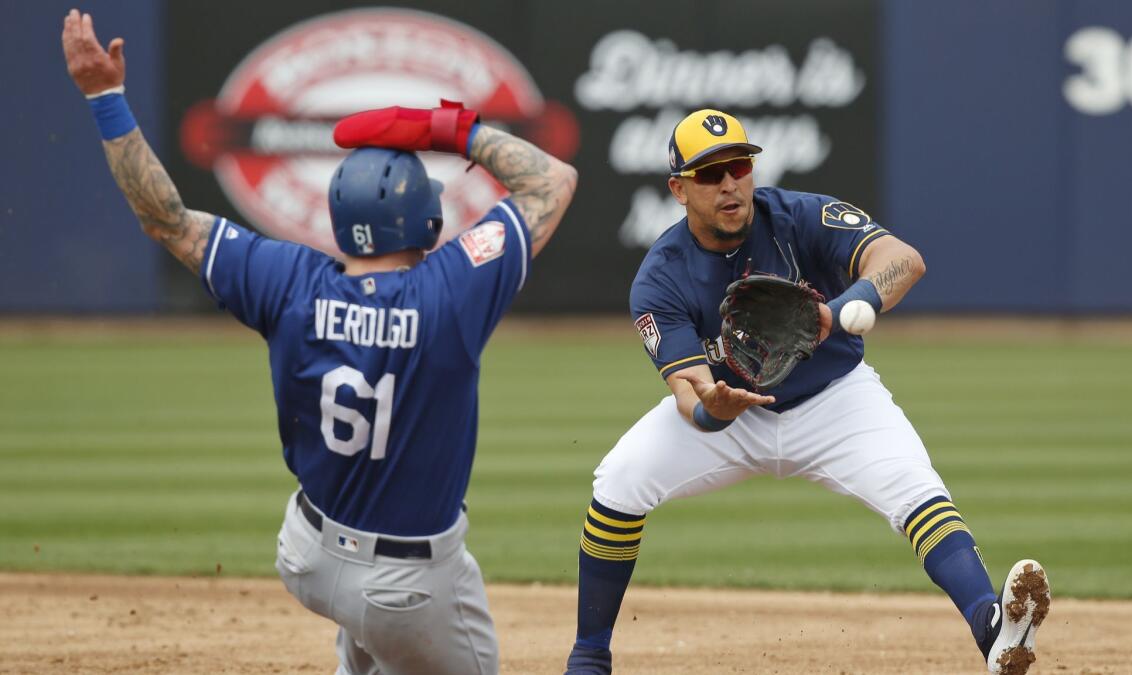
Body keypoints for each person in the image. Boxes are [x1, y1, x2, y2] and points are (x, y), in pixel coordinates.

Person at [62, 9, 577, 674]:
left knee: (364, 628)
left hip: (305, 553)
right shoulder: (450, 292)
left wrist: (105, 98)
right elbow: (552, 180)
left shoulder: (288, 280)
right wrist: (445, 128)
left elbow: (166, 220)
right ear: (425, 218)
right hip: (408, 588)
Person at [563, 109, 1050, 675]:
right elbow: (690, 392)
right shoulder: (661, 276)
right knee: (619, 482)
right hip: (733, 415)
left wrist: (834, 313)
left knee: (917, 490)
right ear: (679, 189)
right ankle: (589, 656)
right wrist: (714, 411)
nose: (729, 183)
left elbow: (902, 260)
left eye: (738, 165)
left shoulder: (798, 215)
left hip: (835, 399)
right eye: (708, 173)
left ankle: (994, 630)